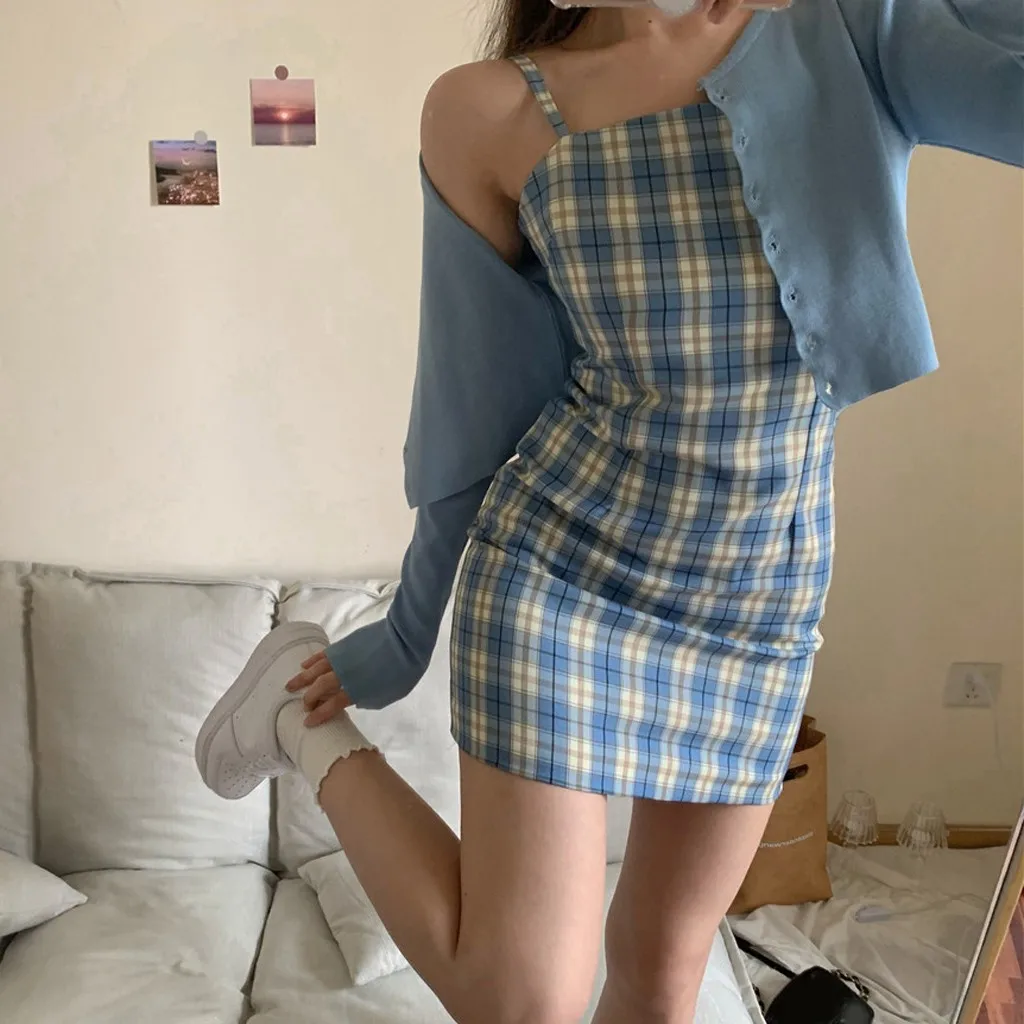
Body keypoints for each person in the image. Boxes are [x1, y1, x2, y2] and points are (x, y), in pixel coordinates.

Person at [196, 1, 1023, 1021]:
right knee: (522, 1002)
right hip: (562, 576)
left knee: (661, 968)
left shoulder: (845, 34)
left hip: (758, 605)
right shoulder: (487, 111)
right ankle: (301, 729)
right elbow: (469, 407)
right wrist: (403, 637)